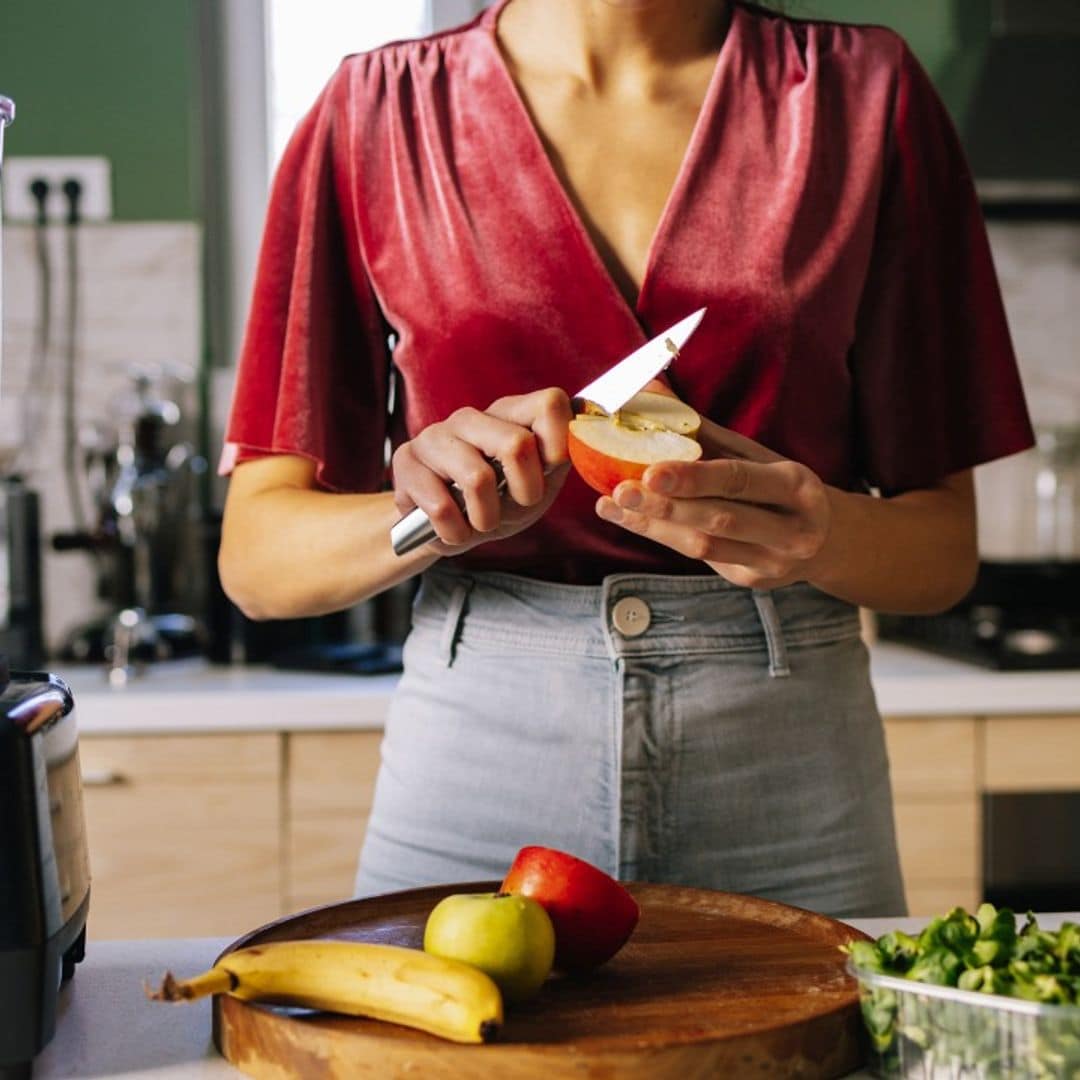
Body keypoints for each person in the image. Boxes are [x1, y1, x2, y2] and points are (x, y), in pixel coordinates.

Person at [218, 0, 1033, 917]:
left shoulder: (862, 93)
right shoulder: (373, 110)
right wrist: (425, 516)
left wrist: (823, 533)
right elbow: (257, 563)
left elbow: (941, 552)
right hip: (476, 764)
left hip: (793, 769)